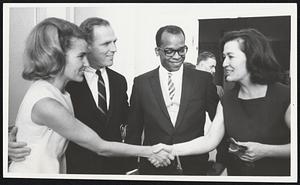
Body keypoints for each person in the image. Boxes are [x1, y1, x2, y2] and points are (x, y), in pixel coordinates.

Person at [8, 17, 173, 174]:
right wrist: (151, 151)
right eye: (81, 56)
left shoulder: (60, 91)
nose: (85, 63)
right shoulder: (48, 102)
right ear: (58, 57)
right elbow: (100, 146)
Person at [166, 28, 290, 176]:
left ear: (253, 57)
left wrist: (267, 151)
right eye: (224, 57)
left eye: (230, 57)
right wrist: (169, 149)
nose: (224, 64)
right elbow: (209, 141)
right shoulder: (227, 100)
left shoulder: (286, 97)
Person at [126, 25, 219, 175]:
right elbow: (134, 130)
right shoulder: (141, 83)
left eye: (182, 50)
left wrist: (222, 160)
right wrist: (131, 167)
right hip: (153, 166)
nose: (177, 56)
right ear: (158, 51)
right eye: (169, 51)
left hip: (194, 166)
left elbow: (218, 121)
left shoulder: (203, 80)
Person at [195, 51, 227, 175]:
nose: (214, 70)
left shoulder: (211, 87)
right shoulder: (182, 74)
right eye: (211, 66)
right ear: (201, 65)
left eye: (215, 67)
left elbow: (218, 123)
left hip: (196, 151)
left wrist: (221, 159)